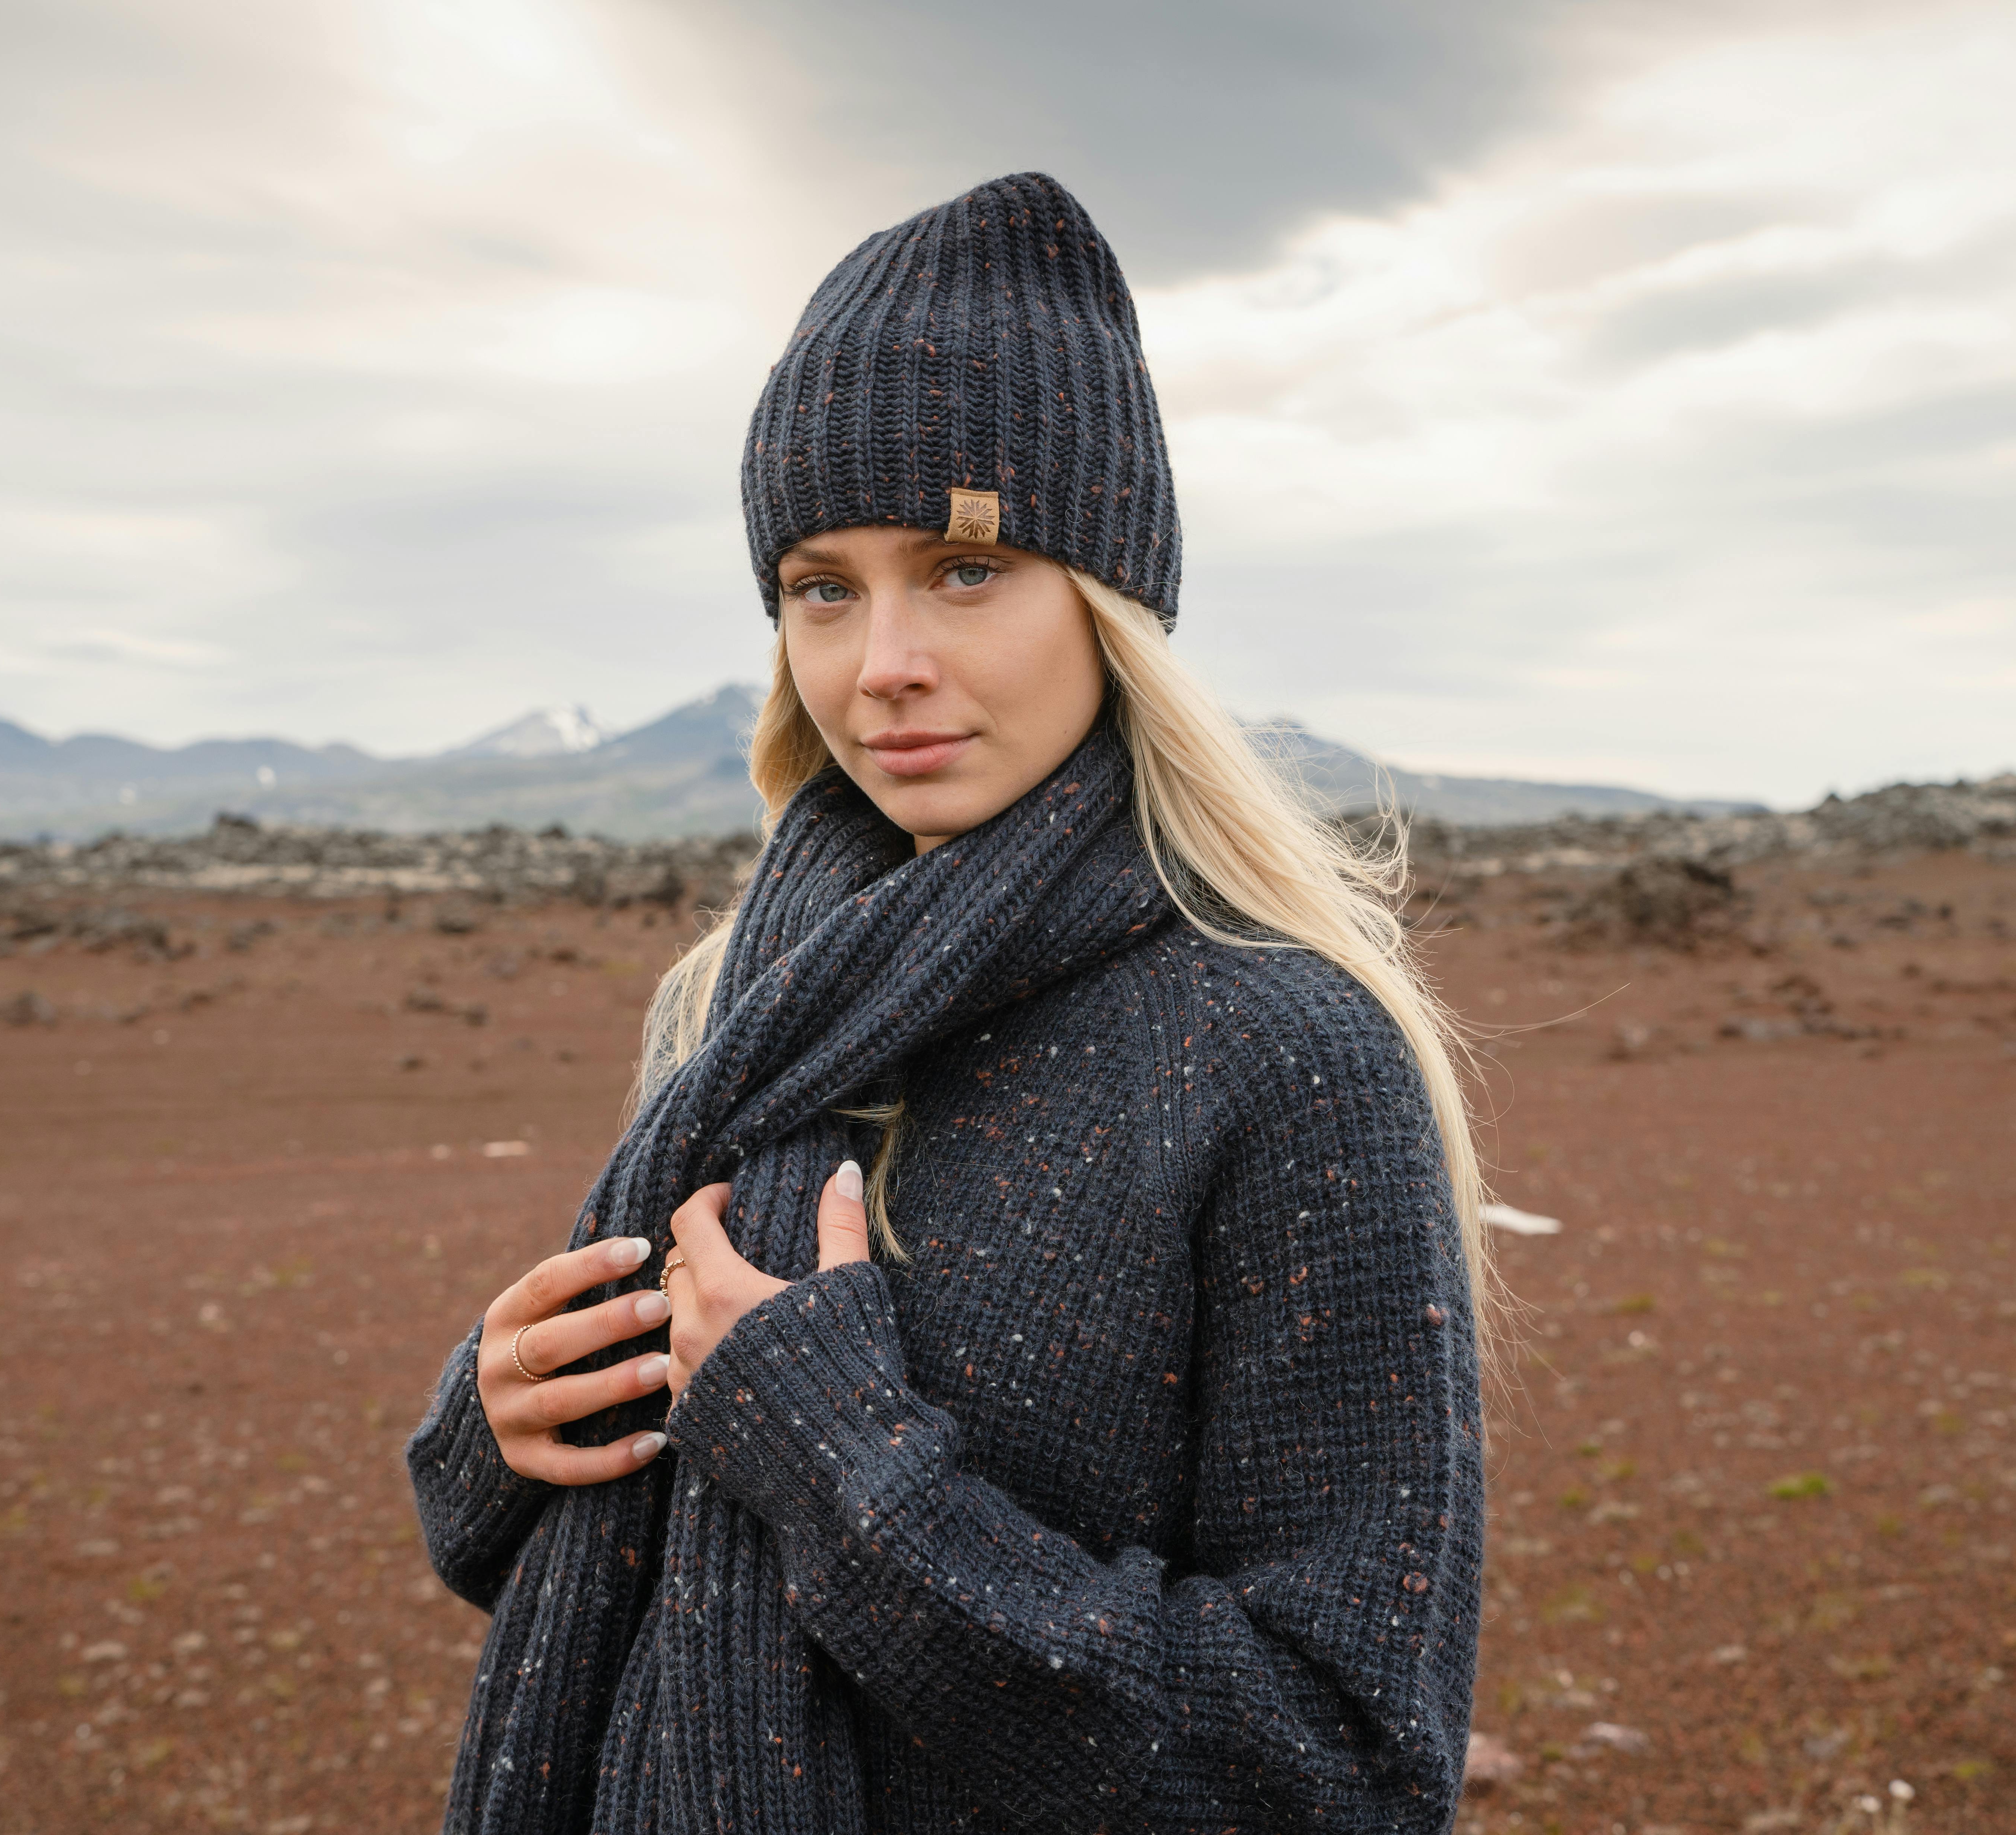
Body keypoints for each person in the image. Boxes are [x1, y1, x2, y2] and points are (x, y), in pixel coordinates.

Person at [407, 171, 1494, 1835]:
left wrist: (851, 1468)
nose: (877, 661)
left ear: (1107, 599)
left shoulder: (1287, 1056)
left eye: (964, 570)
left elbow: (1341, 1767)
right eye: (822, 586)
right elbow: (640, 1588)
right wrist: (495, 1430)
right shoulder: (748, 999)